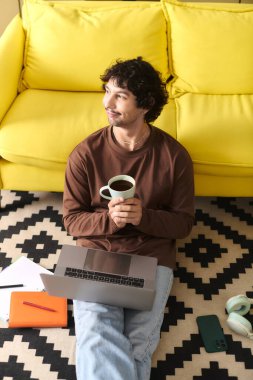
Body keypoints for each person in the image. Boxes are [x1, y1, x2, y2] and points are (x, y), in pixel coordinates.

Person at [62, 57, 195, 380]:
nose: (107, 103)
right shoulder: (85, 154)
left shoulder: (174, 157)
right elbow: (72, 221)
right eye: (107, 91)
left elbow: (183, 224)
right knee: (95, 331)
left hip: (150, 257)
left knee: (138, 344)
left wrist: (143, 217)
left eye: (120, 95)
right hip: (97, 252)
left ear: (146, 103)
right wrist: (111, 220)